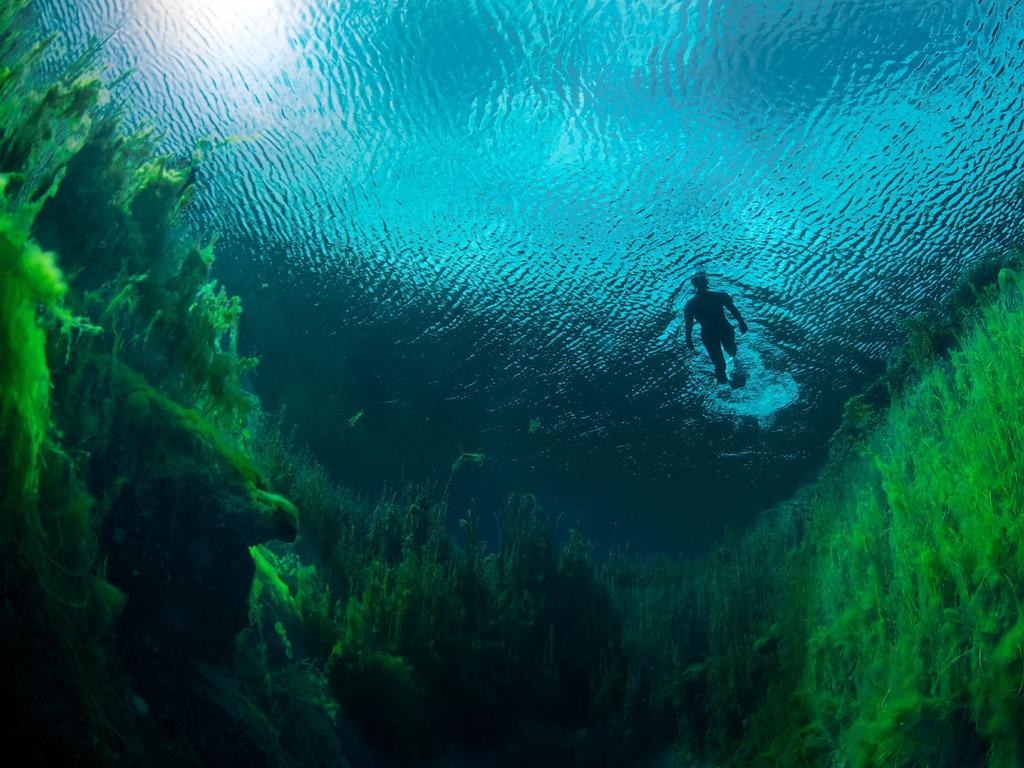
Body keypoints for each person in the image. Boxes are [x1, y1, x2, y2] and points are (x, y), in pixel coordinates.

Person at [682, 273, 748, 385]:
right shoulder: (719, 296)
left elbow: (689, 325)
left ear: (694, 286)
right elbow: (733, 310)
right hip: (723, 329)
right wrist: (741, 323)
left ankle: (723, 381)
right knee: (731, 352)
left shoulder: (691, 304)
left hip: (709, 334)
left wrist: (689, 339)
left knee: (720, 362)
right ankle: (732, 377)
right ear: (707, 283)